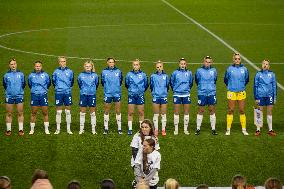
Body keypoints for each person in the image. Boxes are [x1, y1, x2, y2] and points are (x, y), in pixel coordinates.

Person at [224, 53, 249, 135]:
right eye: (236, 59)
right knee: (231, 110)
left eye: (238, 59)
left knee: (242, 110)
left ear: (240, 60)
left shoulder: (245, 69)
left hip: (241, 92)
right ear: (233, 60)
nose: (237, 60)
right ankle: (228, 129)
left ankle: (244, 129)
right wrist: (232, 87)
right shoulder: (229, 69)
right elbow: (226, 80)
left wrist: (241, 86)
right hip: (231, 92)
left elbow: (246, 80)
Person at [195, 56, 218, 135]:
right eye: (206, 62)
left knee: (212, 110)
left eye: (209, 62)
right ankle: (198, 128)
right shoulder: (199, 71)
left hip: (211, 93)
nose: (207, 63)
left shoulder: (214, 70)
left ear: (211, 63)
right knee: (201, 110)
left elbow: (215, 80)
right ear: (203, 62)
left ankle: (213, 129)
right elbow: (197, 80)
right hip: (202, 93)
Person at [170, 58, 193, 135]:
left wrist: (187, 89)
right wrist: (176, 89)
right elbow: (171, 82)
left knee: (186, 112)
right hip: (177, 94)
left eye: (184, 64)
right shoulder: (175, 73)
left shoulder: (189, 73)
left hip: (186, 94)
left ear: (186, 65)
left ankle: (185, 129)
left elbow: (191, 83)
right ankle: (176, 129)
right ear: (179, 64)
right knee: (176, 112)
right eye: (181, 64)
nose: (182, 65)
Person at [254, 60, 277, 136]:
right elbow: (255, 86)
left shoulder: (272, 74)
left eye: (266, 64)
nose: (265, 65)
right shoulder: (258, 74)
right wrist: (256, 97)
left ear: (269, 66)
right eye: (264, 63)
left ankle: (270, 129)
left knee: (269, 112)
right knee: (259, 112)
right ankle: (258, 130)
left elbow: (274, 86)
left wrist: (274, 97)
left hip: (269, 96)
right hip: (260, 96)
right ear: (261, 65)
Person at [125, 59, 149, 135]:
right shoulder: (129, 74)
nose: (136, 66)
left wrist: (141, 91)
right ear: (132, 66)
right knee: (130, 112)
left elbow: (146, 85)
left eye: (137, 64)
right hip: (131, 95)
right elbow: (127, 84)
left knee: (141, 112)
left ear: (139, 65)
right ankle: (130, 129)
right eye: (134, 65)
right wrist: (132, 90)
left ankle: (141, 129)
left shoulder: (143, 75)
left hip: (140, 95)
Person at [3, 58, 26, 136]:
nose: (13, 65)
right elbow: (5, 85)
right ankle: (8, 130)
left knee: (20, 113)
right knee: (9, 113)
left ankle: (21, 129)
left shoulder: (21, 74)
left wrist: (19, 91)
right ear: (9, 65)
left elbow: (23, 84)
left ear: (16, 64)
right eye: (12, 64)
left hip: (19, 96)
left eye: (14, 64)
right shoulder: (6, 75)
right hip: (9, 96)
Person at [52, 56, 74, 134]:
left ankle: (68, 129)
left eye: (64, 61)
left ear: (66, 62)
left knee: (68, 111)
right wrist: (59, 88)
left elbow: (72, 82)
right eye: (61, 61)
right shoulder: (55, 72)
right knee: (59, 112)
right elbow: (53, 82)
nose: (63, 63)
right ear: (59, 62)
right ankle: (58, 129)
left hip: (67, 93)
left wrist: (67, 88)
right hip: (59, 93)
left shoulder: (70, 71)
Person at [28, 61, 51, 135]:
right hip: (34, 95)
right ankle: (32, 130)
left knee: (45, 112)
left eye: (39, 66)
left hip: (43, 95)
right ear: (34, 67)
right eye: (36, 66)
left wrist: (42, 90)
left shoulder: (45, 75)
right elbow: (29, 84)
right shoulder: (31, 75)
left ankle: (46, 129)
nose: (38, 67)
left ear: (41, 67)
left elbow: (48, 83)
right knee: (33, 112)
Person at [101, 58, 123, 135]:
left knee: (118, 111)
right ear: (107, 63)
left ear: (114, 63)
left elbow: (120, 81)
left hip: (117, 94)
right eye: (110, 62)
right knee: (106, 110)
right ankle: (106, 128)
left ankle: (119, 128)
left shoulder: (118, 71)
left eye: (112, 62)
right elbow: (102, 82)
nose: (111, 64)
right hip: (108, 94)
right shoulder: (104, 72)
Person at [77, 60, 99, 135]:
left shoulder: (95, 75)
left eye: (89, 66)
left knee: (92, 113)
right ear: (84, 67)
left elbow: (96, 84)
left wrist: (92, 90)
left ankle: (93, 130)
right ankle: (81, 129)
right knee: (82, 113)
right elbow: (79, 84)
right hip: (83, 95)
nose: (88, 67)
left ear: (92, 67)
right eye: (86, 66)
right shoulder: (80, 75)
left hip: (92, 95)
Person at [150, 60, 169, 136]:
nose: (159, 68)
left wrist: (164, 92)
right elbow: (151, 86)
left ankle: (163, 129)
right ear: (156, 67)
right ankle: (156, 130)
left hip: (164, 96)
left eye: (160, 66)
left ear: (162, 67)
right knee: (156, 114)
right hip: (156, 96)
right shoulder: (153, 76)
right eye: (157, 67)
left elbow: (167, 86)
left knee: (163, 114)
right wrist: (155, 92)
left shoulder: (166, 76)